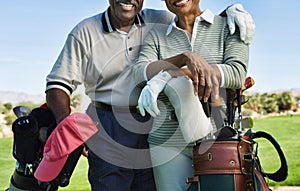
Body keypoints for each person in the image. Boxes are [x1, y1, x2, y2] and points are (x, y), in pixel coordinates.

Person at [44, 0, 255, 190]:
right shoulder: (85, 31)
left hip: (151, 118)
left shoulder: (158, 20)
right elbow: (57, 84)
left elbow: (194, 15)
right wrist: (66, 125)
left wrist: (233, 10)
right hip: (108, 123)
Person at [133, 0, 251, 190]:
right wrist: (184, 58)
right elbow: (139, 73)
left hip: (218, 139)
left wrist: (168, 74)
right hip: (166, 143)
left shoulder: (229, 24)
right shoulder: (156, 35)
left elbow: (236, 73)